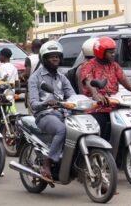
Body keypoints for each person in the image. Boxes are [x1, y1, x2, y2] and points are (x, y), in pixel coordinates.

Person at [80, 36, 131, 138]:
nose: (113, 54)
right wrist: (96, 94)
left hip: (114, 105)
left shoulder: (114, 65)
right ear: (101, 52)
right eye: (110, 52)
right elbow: (88, 80)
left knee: (129, 121)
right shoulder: (89, 65)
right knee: (101, 127)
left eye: (114, 52)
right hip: (97, 107)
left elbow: (124, 79)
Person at [28, 41, 75, 181]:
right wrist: (46, 103)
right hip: (44, 115)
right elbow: (33, 104)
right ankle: (47, 163)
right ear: (44, 59)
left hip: (63, 113)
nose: (55, 59)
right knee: (62, 130)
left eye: (57, 56)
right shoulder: (35, 78)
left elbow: (72, 95)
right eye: (51, 56)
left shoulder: (62, 77)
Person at [22, 39, 42, 112]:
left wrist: (22, 76)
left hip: (32, 87)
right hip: (43, 87)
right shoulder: (44, 57)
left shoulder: (29, 58)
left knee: (32, 110)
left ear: (32, 47)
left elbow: (27, 74)